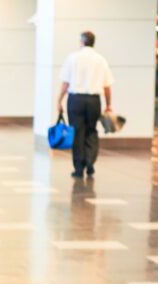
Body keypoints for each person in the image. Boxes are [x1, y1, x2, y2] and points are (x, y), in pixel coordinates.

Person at [56, 30, 114, 178]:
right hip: (94, 100)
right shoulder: (101, 60)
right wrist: (108, 105)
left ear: (81, 42)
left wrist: (59, 100)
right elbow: (107, 86)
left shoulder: (72, 58)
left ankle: (78, 168)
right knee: (91, 131)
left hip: (75, 100)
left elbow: (66, 83)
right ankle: (90, 162)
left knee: (77, 132)